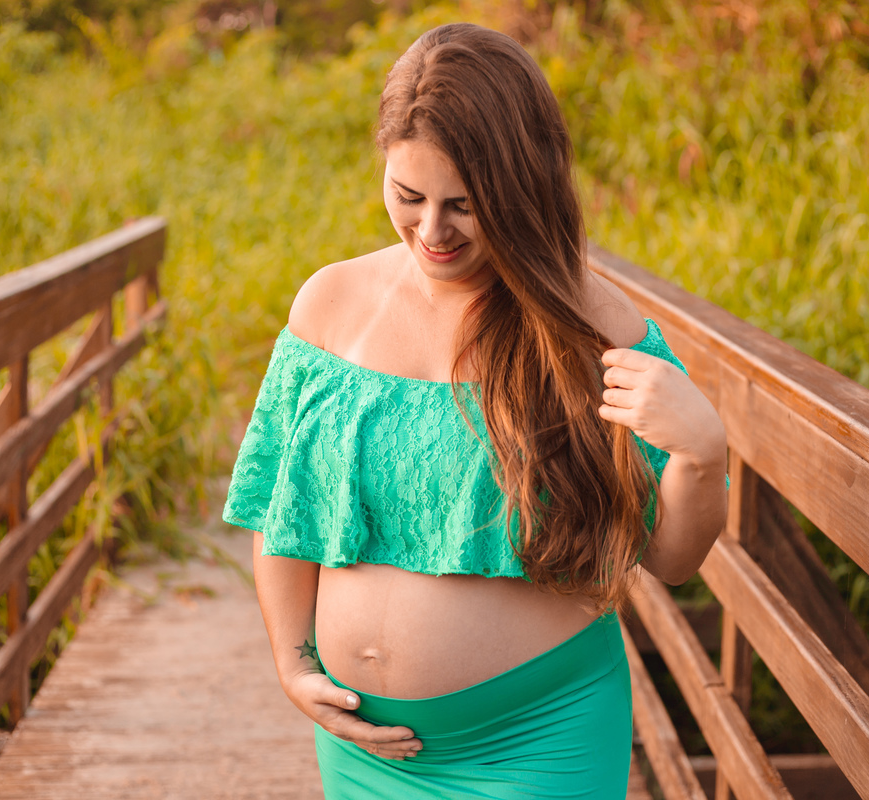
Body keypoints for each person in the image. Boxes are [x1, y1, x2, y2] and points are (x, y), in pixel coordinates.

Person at [223, 22, 728, 799]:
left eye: (464, 205)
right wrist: (291, 662)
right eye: (408, 196)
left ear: (522, 190)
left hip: (538, 743)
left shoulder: (594, 329)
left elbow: (672, 559)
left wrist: (703, 457)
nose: (432, 231)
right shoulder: (329, 305)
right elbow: (282, 509)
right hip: (365, 755)